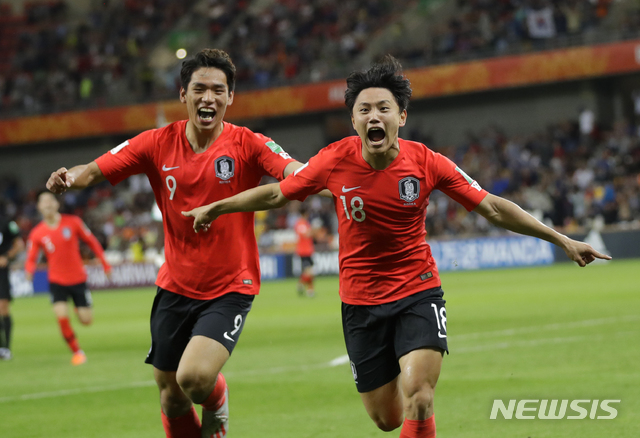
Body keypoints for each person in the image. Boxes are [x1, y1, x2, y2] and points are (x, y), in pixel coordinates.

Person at [182, 55, 612, 438]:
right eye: (364, 109)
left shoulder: (426, 162)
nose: (374, 116)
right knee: (387, 419)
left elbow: (494, 208)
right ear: (354, 121)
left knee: (419, 395)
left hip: (417, 291)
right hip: (360, 303)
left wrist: (561, 239)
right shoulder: (332, 160)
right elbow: (277, 194)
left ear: (400, 117)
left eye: (383, 108)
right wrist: (219, 206)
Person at [45, 48, 313, 438]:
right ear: (183, 94)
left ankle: (217, 407)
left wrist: (337, 181)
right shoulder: (156, 143)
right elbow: (93, 171)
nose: (209, 98)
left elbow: (296, 173)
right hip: (175, 285)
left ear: (230, 97)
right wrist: (67, 178)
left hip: (229, 286)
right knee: (170, 394)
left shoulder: (249, 144)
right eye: (200, 89)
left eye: (218, 90)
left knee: (195, 377)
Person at [25, 192, 111, 365]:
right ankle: (77, 352)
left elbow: (91, 241)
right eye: (44, 202)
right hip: (56, 281)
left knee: (86, 321)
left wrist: (105, 263)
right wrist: (29, 271)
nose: (48, 204)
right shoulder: (37, 233)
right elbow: (31, 256)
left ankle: (79, 309)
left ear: (57, 204)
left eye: (50, 200)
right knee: (61, 316)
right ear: (39, 207)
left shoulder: (73, 222)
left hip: (78, 279)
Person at [0, 206, 25, 361]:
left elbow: (19, 244)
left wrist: (6, 257)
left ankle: (6, 348)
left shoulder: (6, 223)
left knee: (2, 308)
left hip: (1, 272)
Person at [294, 205, 315, 297]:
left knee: (309, 272)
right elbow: (306, 234)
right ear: (305, 213)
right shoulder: (300, 223)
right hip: (303, 251)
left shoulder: (306, 223)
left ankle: (306, 288)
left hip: (308, 250)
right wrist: (314, 229)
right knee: (309, 272)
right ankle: (305, 287)